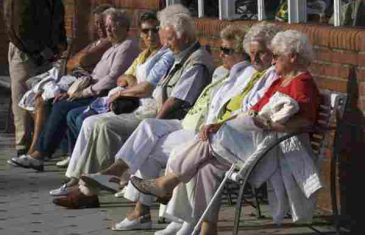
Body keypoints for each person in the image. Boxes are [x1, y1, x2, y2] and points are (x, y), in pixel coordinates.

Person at [79, 21, 280, 233]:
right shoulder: (227, 72)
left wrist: (213, 124)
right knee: (148, 128)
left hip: (218, 135)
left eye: (227, 50)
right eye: (221, 49)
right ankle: (119, 175)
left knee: (154, 150)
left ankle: (166, 215)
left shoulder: (236, 70)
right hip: (198, 127)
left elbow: (245, 111)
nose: (221, 54)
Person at [131, 29, 322, 235]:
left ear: (292, 57)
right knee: (207, 167)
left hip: (273, 149)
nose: (272, 61)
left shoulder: (301, 82)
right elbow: (253, 109)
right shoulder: (279, 79)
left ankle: (167, 182)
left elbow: (305, 121)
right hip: (253, 139)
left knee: (212, 139)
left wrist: (267, 124)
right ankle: (208, 228)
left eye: (276, 56)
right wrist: (222, 122)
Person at [51, 4, 214, 209]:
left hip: (176, 119)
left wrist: (156, 121)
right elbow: (129, 79)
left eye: (169, 38)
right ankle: (95, 182)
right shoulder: (179, 56)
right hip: (158, 114)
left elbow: (174, 102)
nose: (166, 43)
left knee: (129, 129)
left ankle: (108, 184)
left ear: (186, 37)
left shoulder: (195, 62)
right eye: (164, 37)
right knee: (96, 122)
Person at [10, 8, 139, 171]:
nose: (108, 30)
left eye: (112, 26)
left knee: (64, 107)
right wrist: (75, 89)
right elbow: (86, 68)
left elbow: (111, 79)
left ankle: (40, 155)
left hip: (104, 94)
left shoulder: (127, 47)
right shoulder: (114, 46)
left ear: (125, 26)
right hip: (92, 89)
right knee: (53, 101)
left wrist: (82, 92)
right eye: (107, 27)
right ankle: (65, 152)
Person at [3, 0, 67, 157]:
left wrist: (59, 43)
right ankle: (23, 144)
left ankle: (41, 144)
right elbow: (18, 28)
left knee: (44, 95)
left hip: (47, 52)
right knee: (22, 98)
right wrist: (39, 52)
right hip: (24, 52)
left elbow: (58, 19)